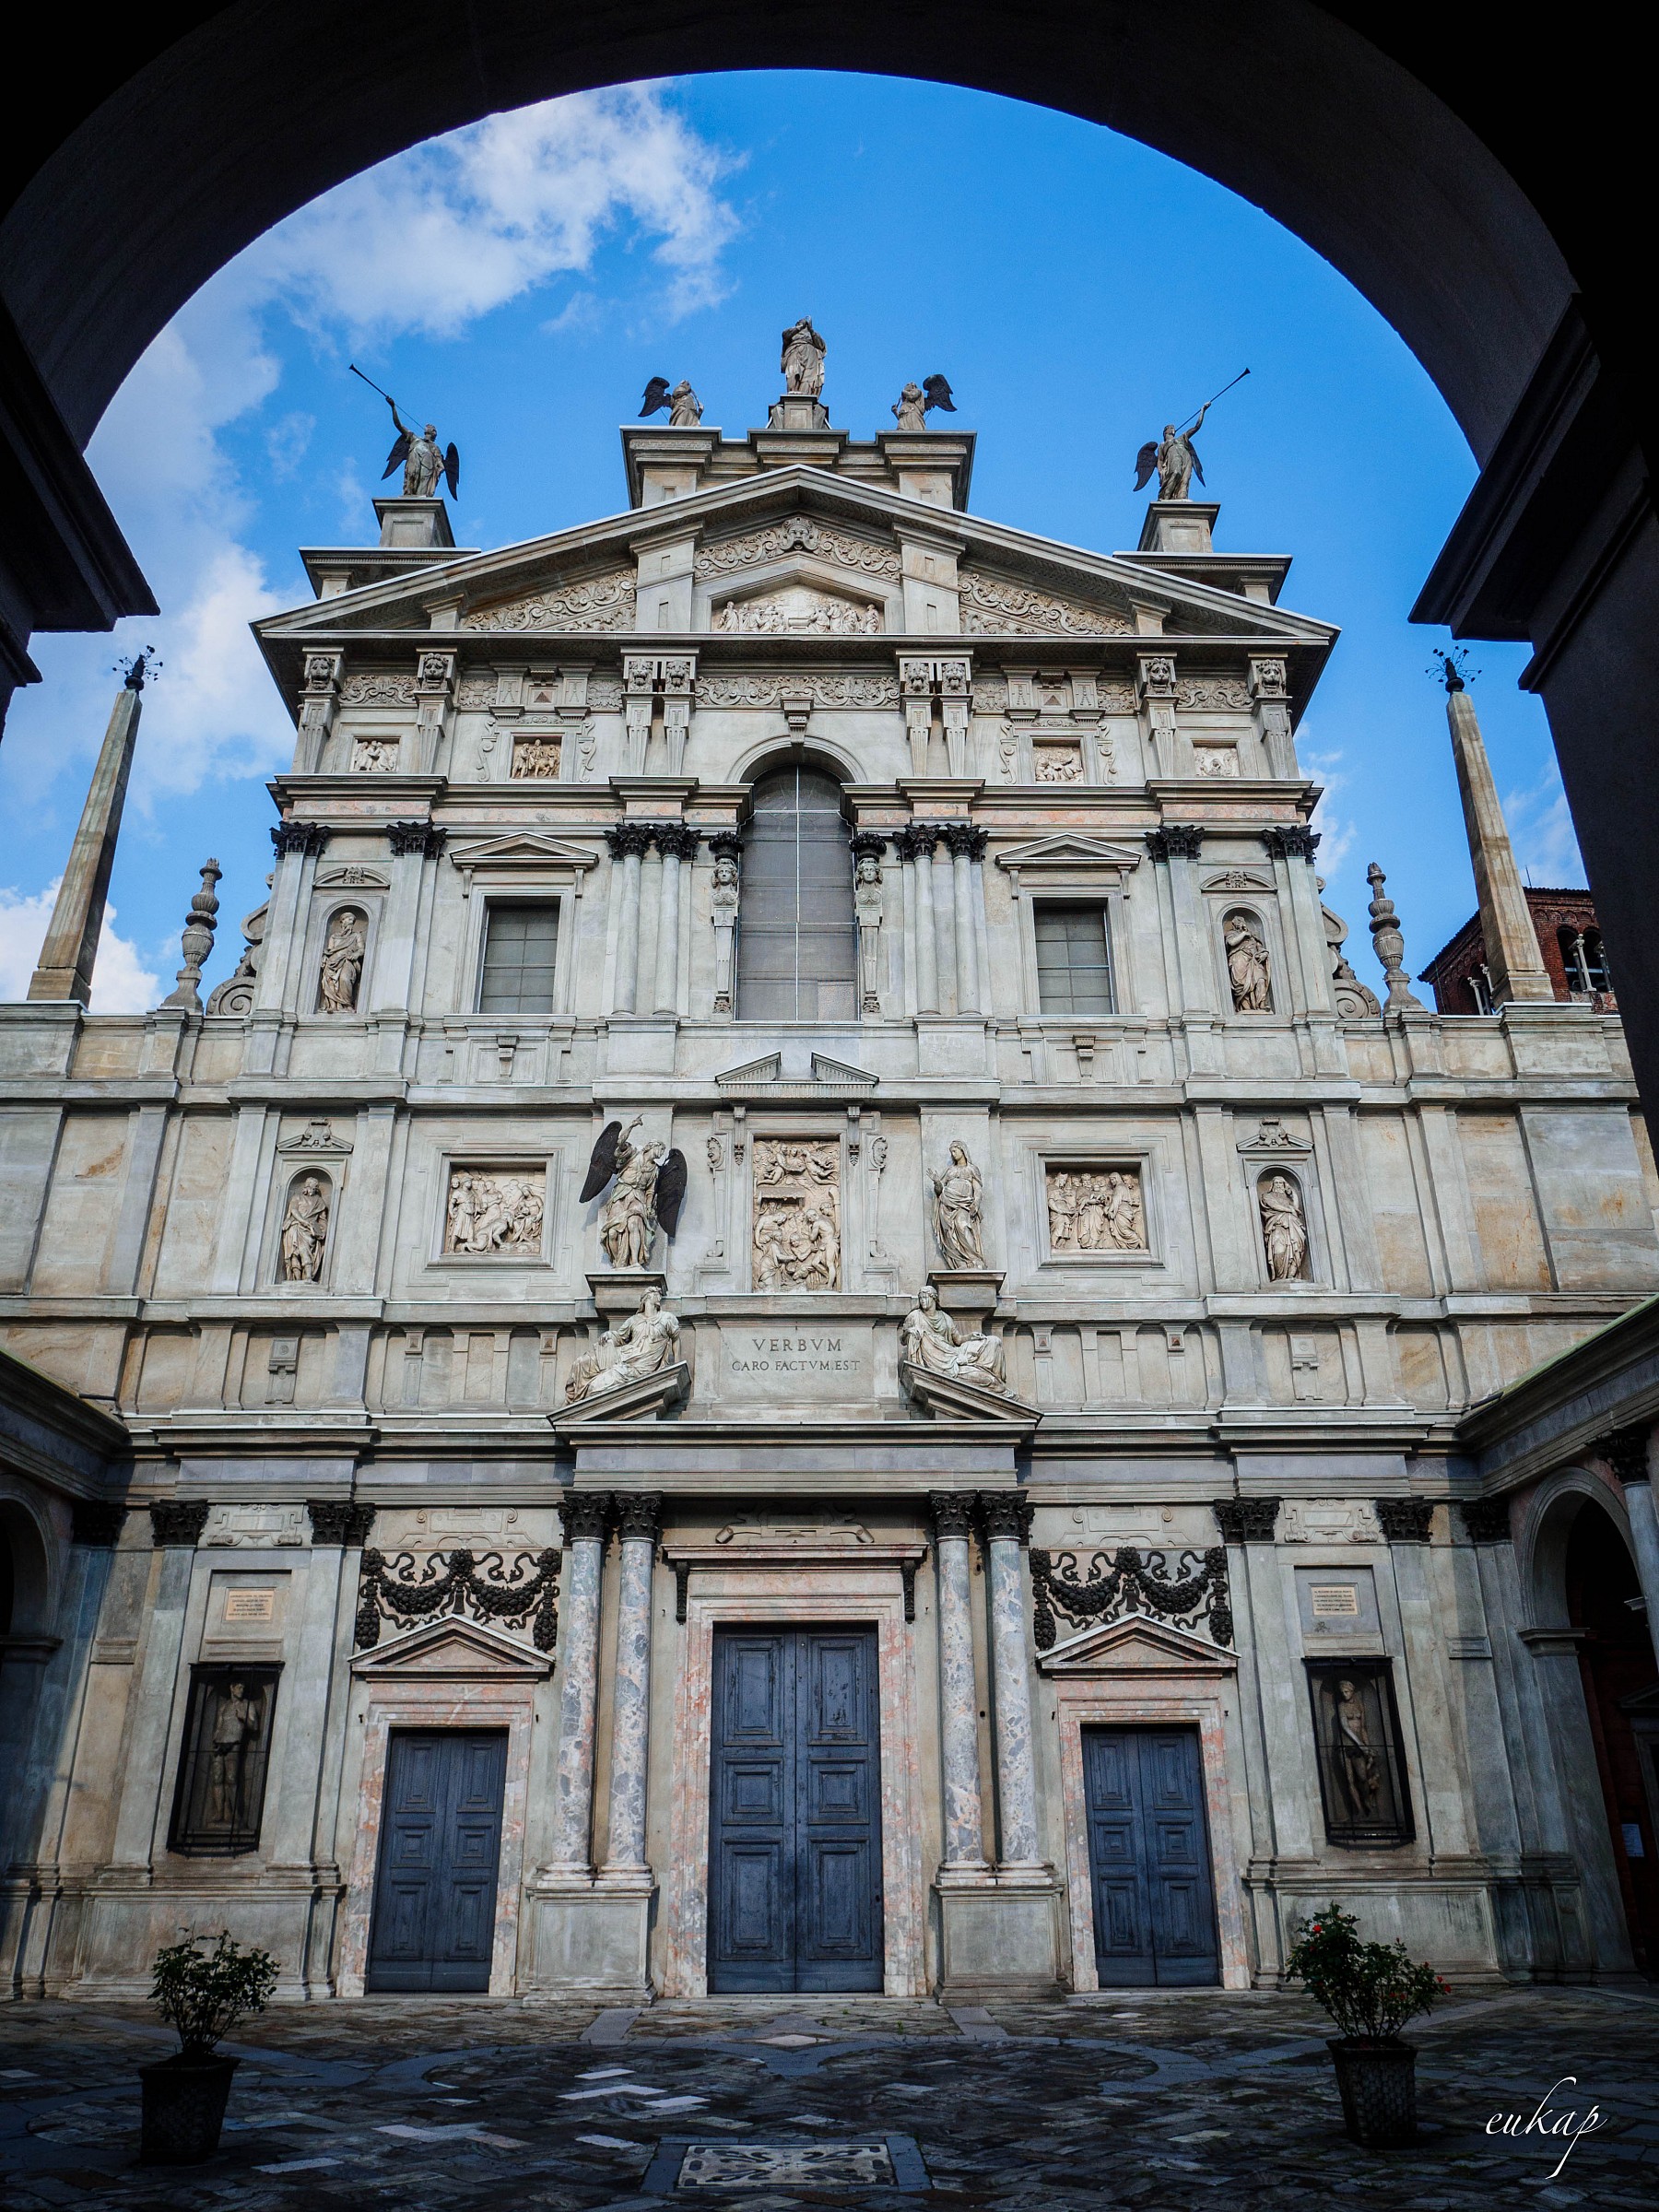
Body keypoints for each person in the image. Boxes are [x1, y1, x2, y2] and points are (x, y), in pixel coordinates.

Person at [932, 1143, 986, 1270]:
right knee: (950, 1233)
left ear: (963, 1151)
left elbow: (977, 1189)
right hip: (947, 1206)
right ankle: (961, 1263)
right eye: (951, 1152)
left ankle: (973, 1259)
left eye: (955, 1151)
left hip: (964, 1204)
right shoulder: (950, 1170)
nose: (953, 1154)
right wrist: (936, 1182)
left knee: (962, 1226)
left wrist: (976, 1203)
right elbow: (939, 1190)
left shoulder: (971, 1169)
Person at [280, 1174, 330, 1281]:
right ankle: (296, 1279)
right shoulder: (297, 1197)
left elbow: (322, 1219)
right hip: (295, 1226)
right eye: (312, 1187)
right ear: (306, 1187)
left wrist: (322, 1230)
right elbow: (294, 1211)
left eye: (315, 1188)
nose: (314, 1189)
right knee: (294, 1253)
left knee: (305, 1252)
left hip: (309, 1230)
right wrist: (304, 1221)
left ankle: (308, 1277)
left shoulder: (320, 1202)